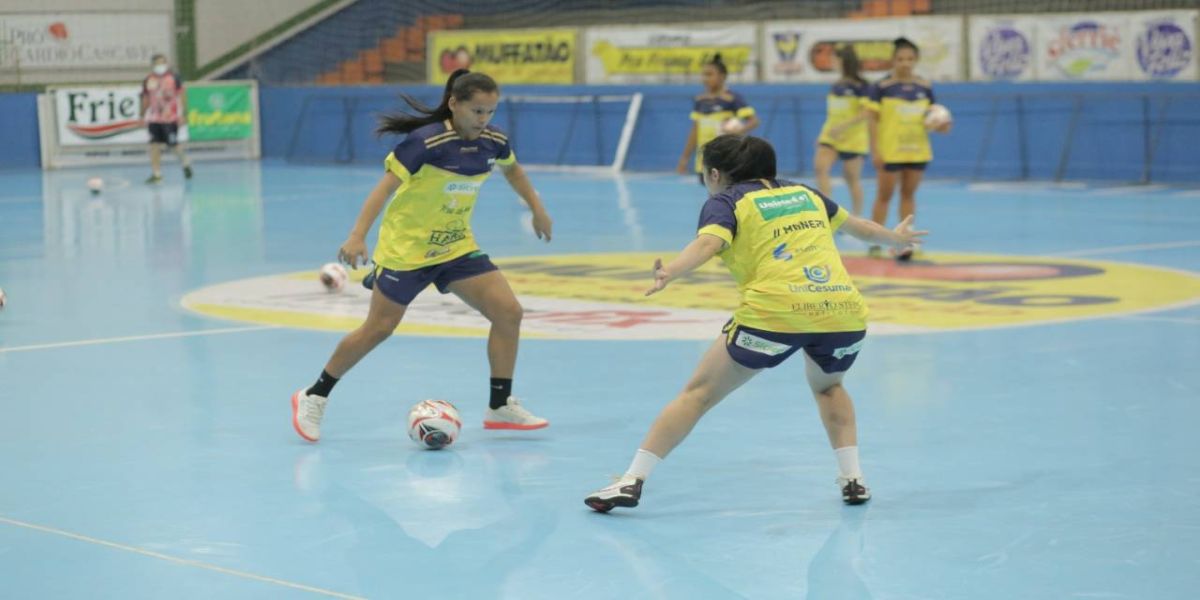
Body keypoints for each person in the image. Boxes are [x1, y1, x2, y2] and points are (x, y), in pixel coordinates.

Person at [584, 134, 927, 513]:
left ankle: (631, 480)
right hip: (843, 313)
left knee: (698, 394)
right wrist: (895, 238)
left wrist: (671, 271)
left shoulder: (726, 202)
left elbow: (707, 245)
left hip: (774, 316)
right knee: (830, 388)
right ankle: (854, 479)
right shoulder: (805, 193)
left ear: (715, 174)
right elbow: (859, 227)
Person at [290, 69, 554, 443]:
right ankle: (314, 395)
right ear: (454, 104)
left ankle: (500, 406)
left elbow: (514, 172)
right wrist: (357, 235)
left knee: (509, 312)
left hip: (455, 246)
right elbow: (383, 190)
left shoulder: (493, 141)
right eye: (477, 111)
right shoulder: (426, 142)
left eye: (490, 112)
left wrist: (537, 208)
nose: (484, 119)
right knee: (379, 329)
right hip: (407, 250)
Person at [865, 37, 950, 260]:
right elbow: (872, 120)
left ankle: (905, 241)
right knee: (884, 196)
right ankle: (875, 241)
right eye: (901, 59)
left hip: (917, 150)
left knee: (908, 194)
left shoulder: (925, 87)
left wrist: (941, 125)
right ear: (893, 60)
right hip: (890, 151)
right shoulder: (881, 87)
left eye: (910, 59)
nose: (905, 63)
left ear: (916, 60)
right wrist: (875, 150)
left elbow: (932, 118)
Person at [676, 53, 760, 186]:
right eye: (704, 75)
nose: (705, 79)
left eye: (710, 74)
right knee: (710, 194)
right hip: (705, 159)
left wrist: (737, 132)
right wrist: (684, 158)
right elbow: (694, 131)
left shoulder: (732, 99)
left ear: (722, 76)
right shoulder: (700, 100)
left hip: (726, 158)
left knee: (727, 193)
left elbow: (754, 121)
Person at [813, 46, 869, 219]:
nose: (831, 61)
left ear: (843, 60)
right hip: (830, 135)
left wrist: (843, 126)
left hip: (853, 138)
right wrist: (823, 134)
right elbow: (833, 113)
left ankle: (857, 217)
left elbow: (866, 112)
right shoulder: (836, 85)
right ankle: (827, 214)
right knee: (820, 168)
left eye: (834, 58)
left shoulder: (862, 85)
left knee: (851, 178)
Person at [141, 54, 192, 184]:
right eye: (158, 63)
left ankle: (185, 163)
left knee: (173, 145)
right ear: (153, 65)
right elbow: (146, 97)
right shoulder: (148, 79)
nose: (161, 65)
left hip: (170, 118)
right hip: (154, 119)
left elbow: (182, 95)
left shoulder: (174, 78)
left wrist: (184, 114)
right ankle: (157, 174)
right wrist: (142, 114)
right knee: (154, 145)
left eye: (163, 63)